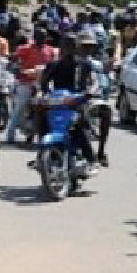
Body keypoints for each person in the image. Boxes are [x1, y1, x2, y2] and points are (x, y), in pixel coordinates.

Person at [38, 34, 99, 173]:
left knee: (78, 125)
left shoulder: (84, 65)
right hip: (58, 102)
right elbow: (44, 83)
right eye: (65, 45)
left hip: (78, 102)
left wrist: (88, 93)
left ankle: (91, 159)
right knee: (42, 117)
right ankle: (41, 152)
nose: (68, 49)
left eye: (71, 45)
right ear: (61, 47)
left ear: (76, 47)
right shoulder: (53, 65)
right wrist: (44, 96)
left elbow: (94, 82)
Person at [7, 28, 57, 144]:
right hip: (26, 81)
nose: (41, 39)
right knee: (20, 104)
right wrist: (17, 69)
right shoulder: (24, 49)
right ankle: (11, 134)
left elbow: (54, 64)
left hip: (43, 83)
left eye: (43, 37)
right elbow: (14, 60)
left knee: (50, 105)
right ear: (34, 37)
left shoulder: (50, 50)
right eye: (39, 37)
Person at [77, 32, 112, 166]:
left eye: (90, 46)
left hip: (89, 98)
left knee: (106, 111)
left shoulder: (96, 64)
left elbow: (99, 82)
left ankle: (101, 151)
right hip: (70, 98)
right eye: (84, 46)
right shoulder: (71, 60)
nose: (87, 49)